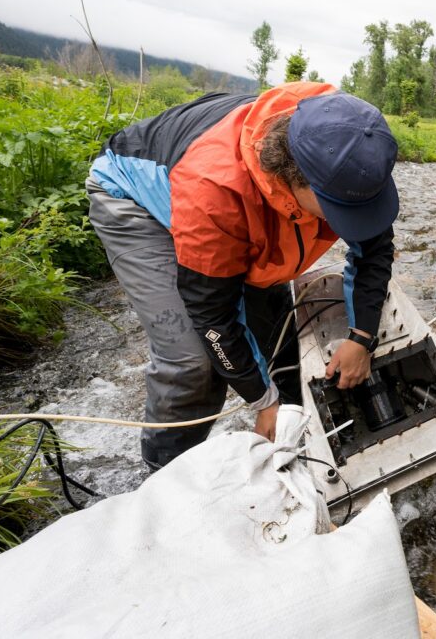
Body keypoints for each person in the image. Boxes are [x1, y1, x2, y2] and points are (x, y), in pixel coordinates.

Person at [87, 83, 398, 469]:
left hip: (231, 197)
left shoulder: (351, 148)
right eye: (341, 210)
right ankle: (164, 476)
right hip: (133, 199)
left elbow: (375, 248)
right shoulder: (215, 193)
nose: (354, 220)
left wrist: (361, 337)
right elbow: (212, 315)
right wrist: (262, 401)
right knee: (192, 363)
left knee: (278, 331)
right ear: (294, 177)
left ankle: (297, 436)